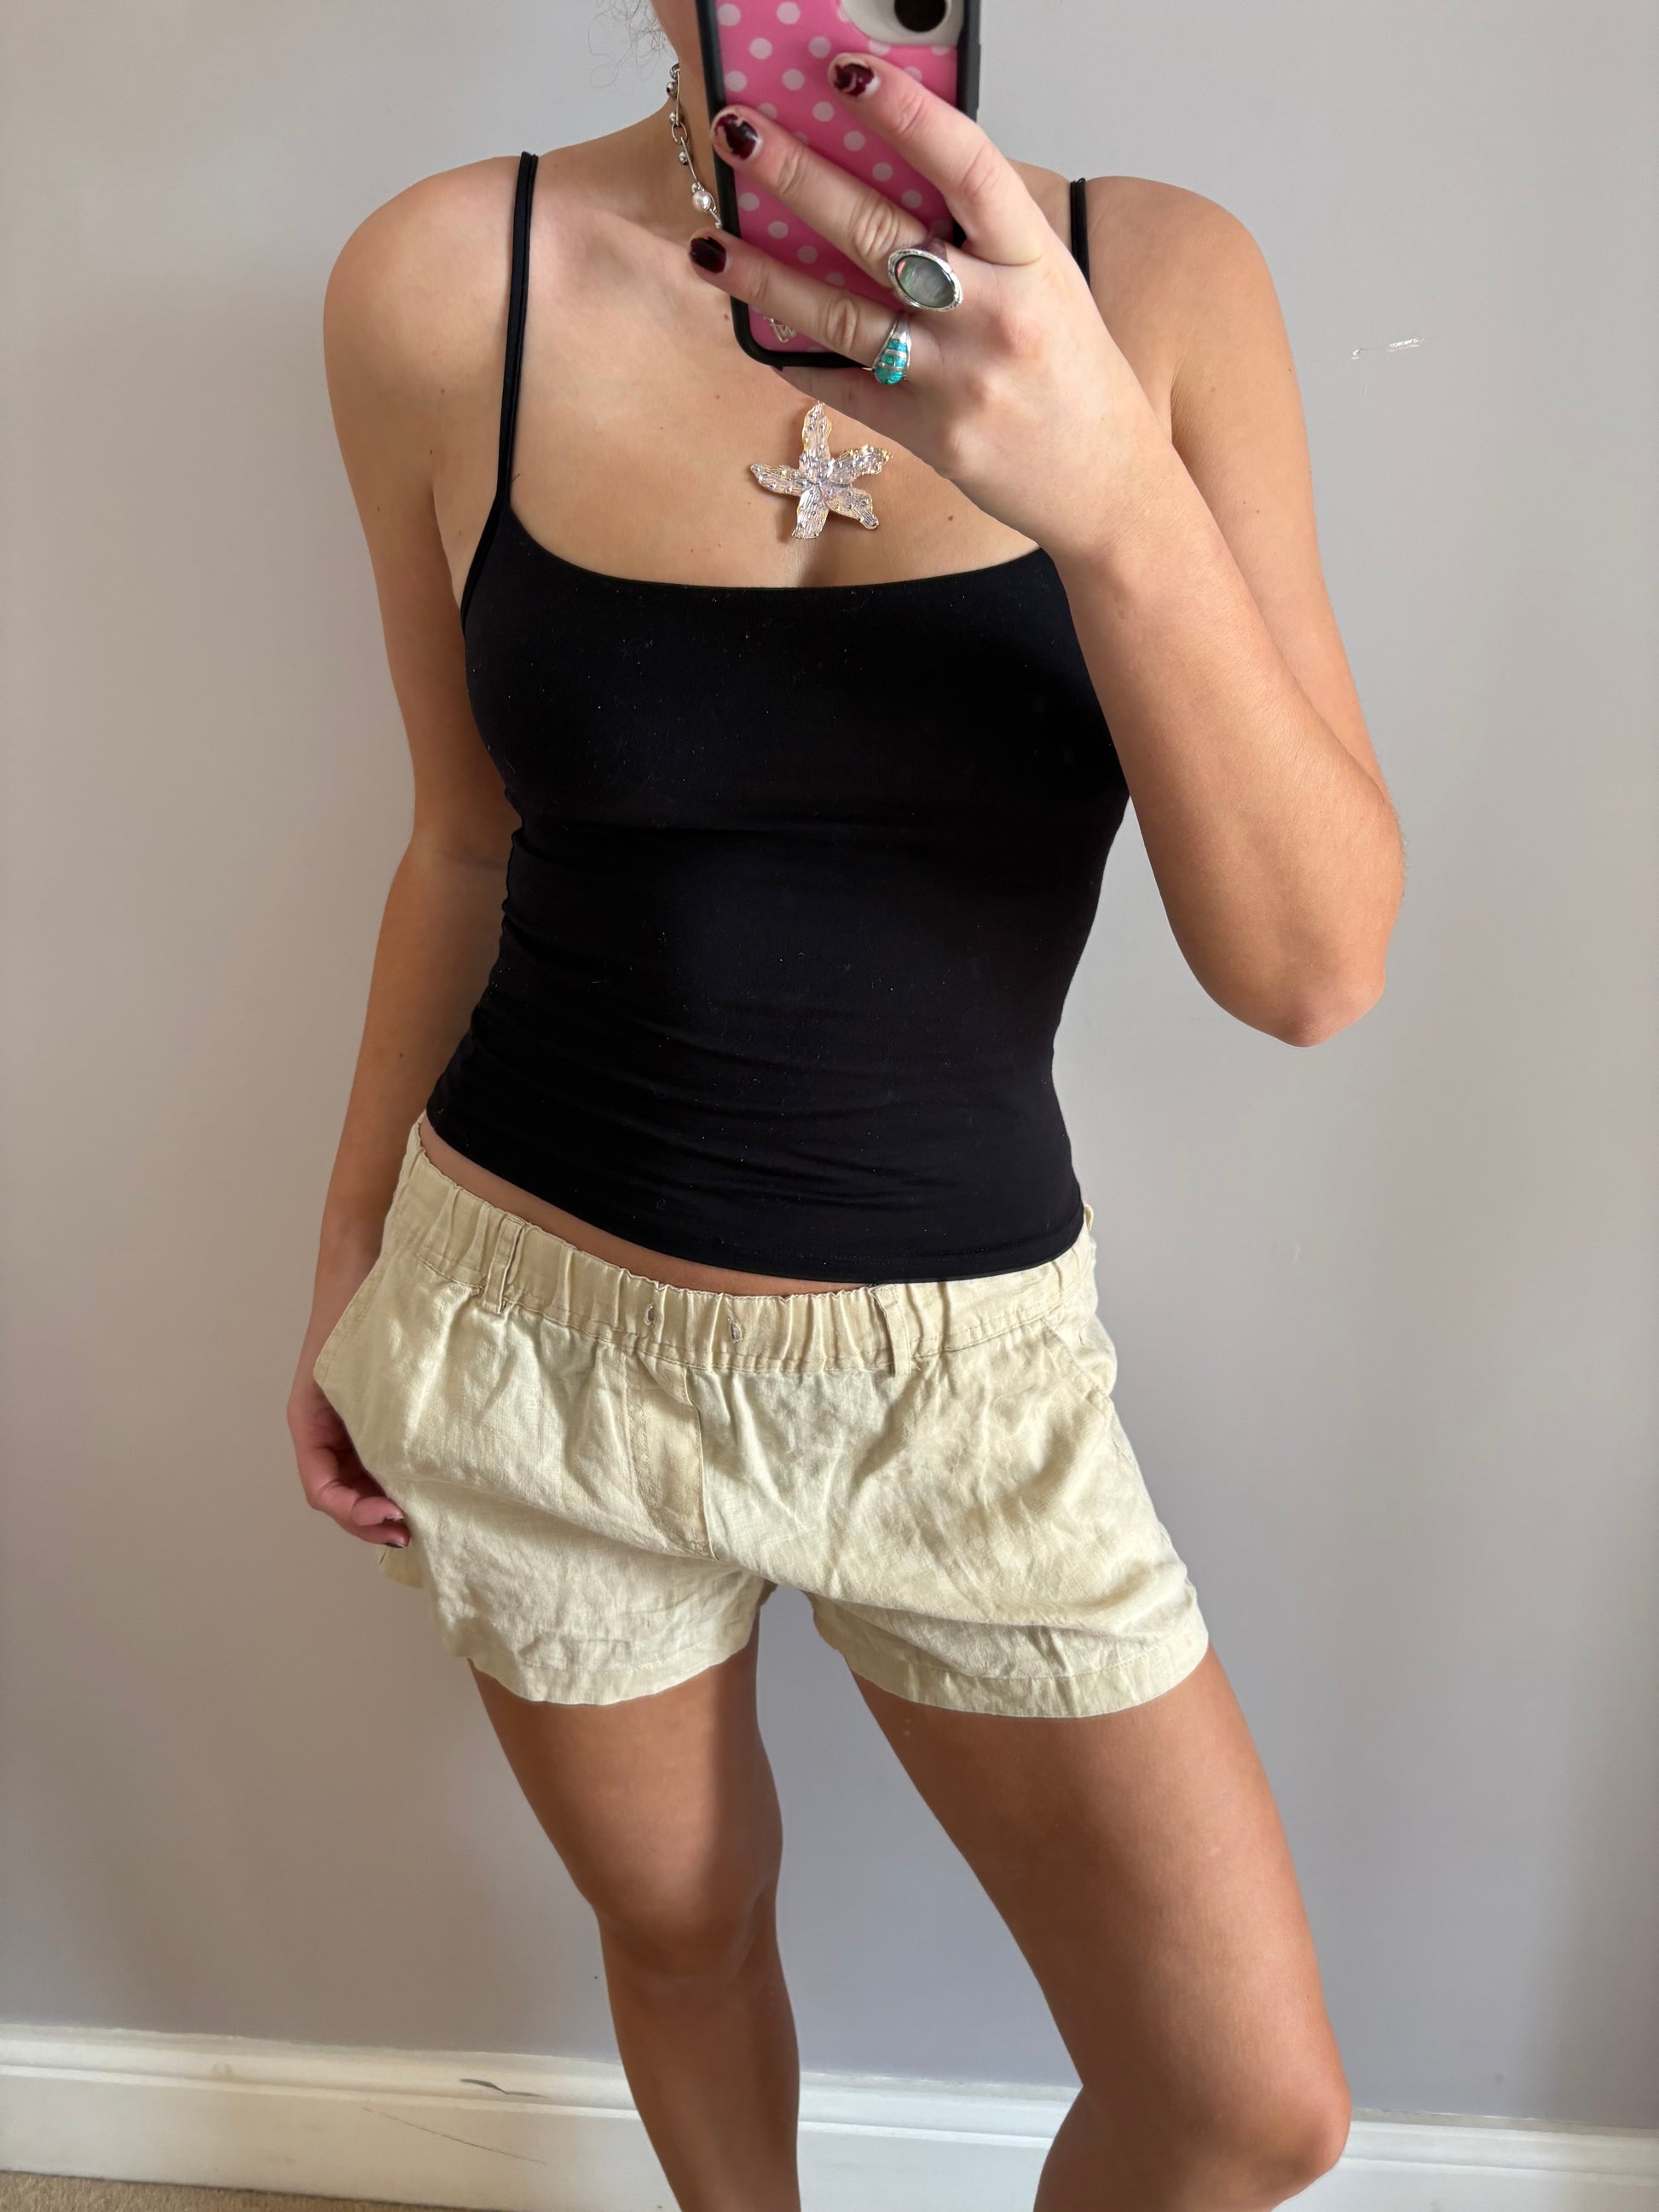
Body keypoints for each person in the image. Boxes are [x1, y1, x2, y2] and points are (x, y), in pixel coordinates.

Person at [287, 3, 1402, 2203]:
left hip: (962, 1385)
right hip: (528, 1332)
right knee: (681, 1930)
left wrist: (1105, 483)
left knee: (1244, 2102)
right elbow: (463, 842)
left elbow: (1308, 968)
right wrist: (347, 1255)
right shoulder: (439, 284)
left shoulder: (1161, 287)